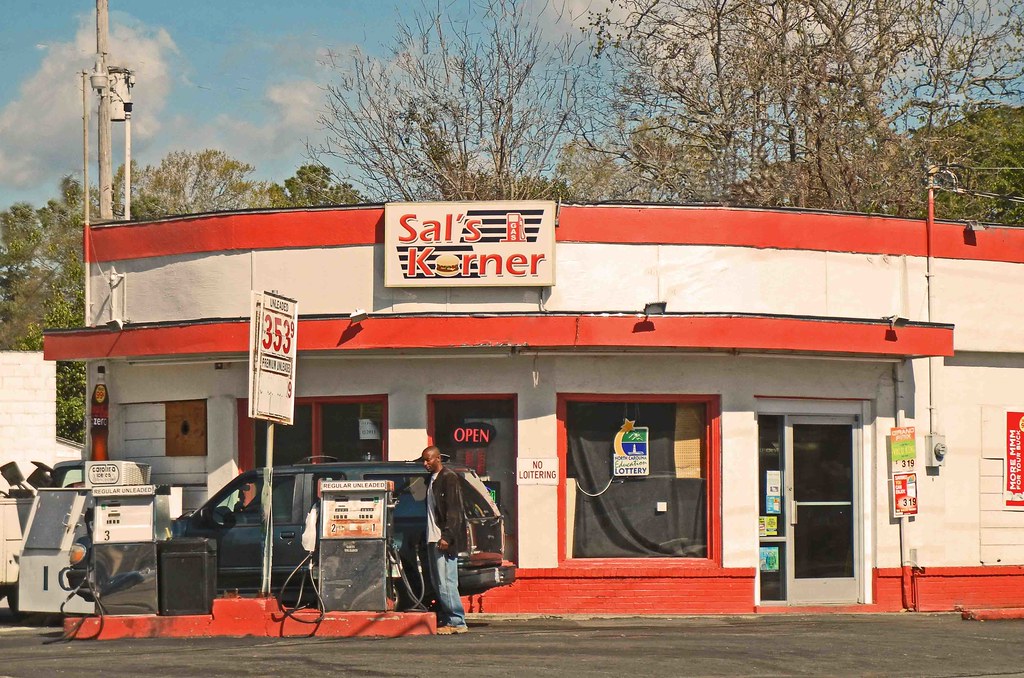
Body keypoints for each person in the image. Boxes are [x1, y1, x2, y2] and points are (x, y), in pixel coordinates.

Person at [420, 445, 469, 635]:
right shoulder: (430, 480)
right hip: (432, 538)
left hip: (443, 538)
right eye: (424, 460)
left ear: (438, 458)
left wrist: (447, 536)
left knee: (447, 581)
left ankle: (457, 621)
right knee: (438, 581)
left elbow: (454, 511)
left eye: (428, 460)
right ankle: (449, 618)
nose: (425, 464)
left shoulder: (449, 478)